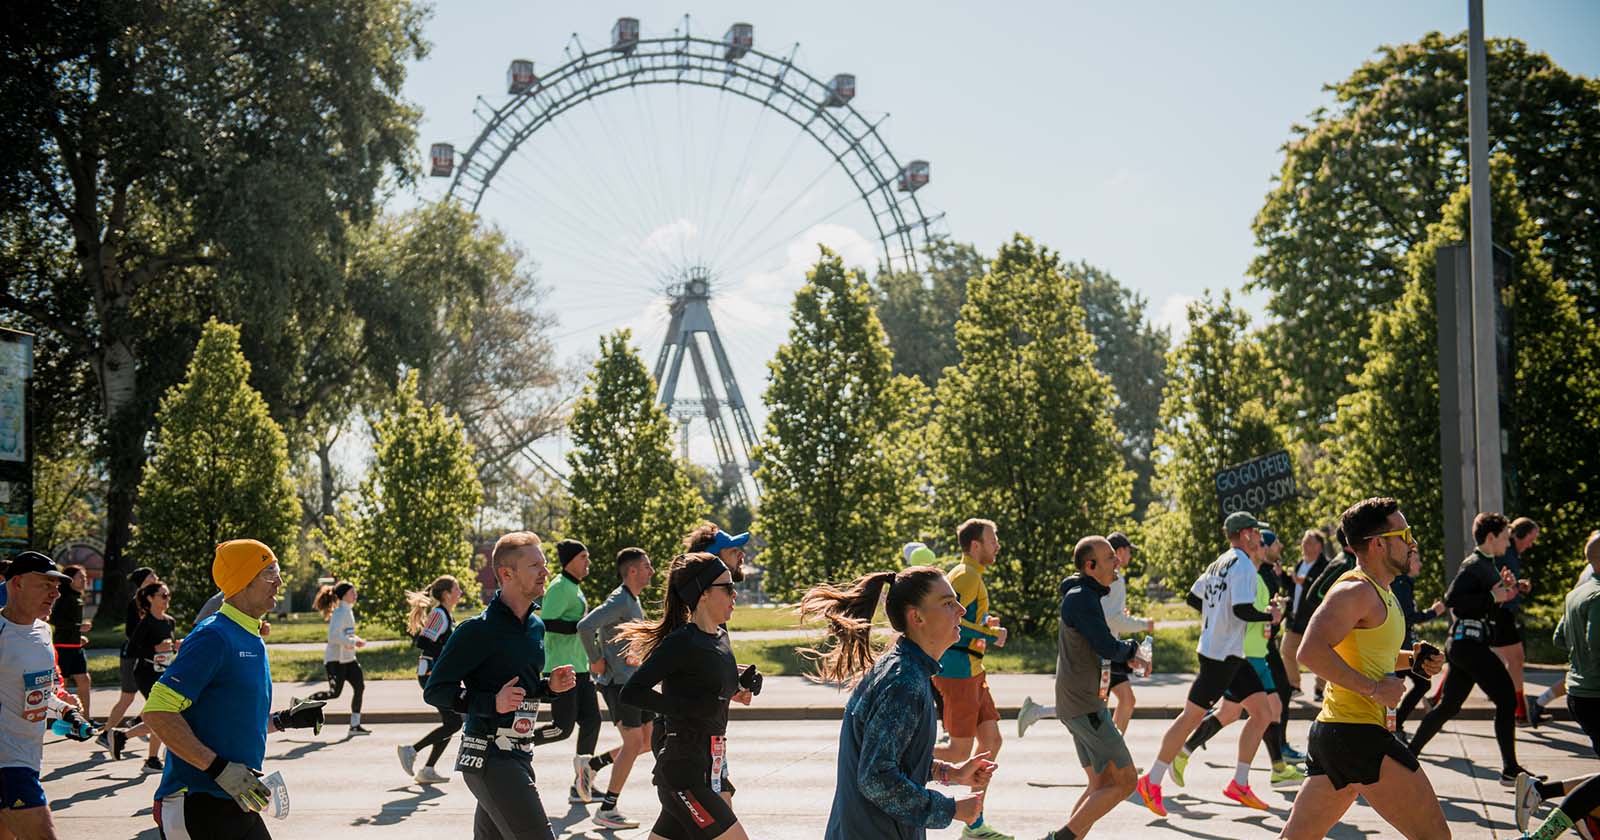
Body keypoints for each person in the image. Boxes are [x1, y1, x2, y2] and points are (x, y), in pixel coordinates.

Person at [1279, 497, 1448, 840]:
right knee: (1436, 838)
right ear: (1378, 544)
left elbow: (1373, 655)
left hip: (1339, 735)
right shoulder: (1354, 590)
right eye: (1406, 534)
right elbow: (1309, 651)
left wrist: (1414, 660)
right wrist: (1373, 689)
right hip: (1356, 734)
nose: (1412, 542)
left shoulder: (1383, 591)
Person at [142, 540, 327, 839]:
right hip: (198, 801)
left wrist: (285, 719)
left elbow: (230, 724)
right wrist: (219, 769)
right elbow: (157, 712)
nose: (279, 582)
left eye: (277, 572)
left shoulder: (251, 636)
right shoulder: (214, 636)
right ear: (243, 581)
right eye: (269, 573)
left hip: (236, 796)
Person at [801, 565, 992, 840]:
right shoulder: (904, 682)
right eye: (948, 604)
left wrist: (951, 773)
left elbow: (897, 759)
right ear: (917, 617)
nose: (961, 611)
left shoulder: (908, 670)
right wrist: (949, 809)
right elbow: (876, 777)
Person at [423, 532, 577, 840]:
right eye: (535, 565)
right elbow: (435, 690)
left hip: (520, 754)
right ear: (507, 574)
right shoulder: (476, 631)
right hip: (489, 758)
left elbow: (523, 689)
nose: (546, 573)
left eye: (544, 564)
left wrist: (549, 688)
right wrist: (490, 702)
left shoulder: (536, 626)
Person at [1138, 510, 1279, 817]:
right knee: (1190, 717)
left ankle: (1239, 783)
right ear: (1245, 535)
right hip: (1220, 656)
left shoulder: (1220, 561)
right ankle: (1152, 780)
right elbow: (1242, 610)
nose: (1259, 538)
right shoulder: (1242, 565)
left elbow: (1193, 597)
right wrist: (1270, 616)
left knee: (1263, 712)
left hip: (1230, 653)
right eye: (1256, 532)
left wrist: (1214, 618)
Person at [618, 553, 759, 840]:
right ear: (704, 593)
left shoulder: (719, 636)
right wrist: (683, 708)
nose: (735, 594)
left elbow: (707, 684)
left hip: (710, 766)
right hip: (683, 773)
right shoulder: (681, 641)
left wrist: (739, 684)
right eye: (727, 587)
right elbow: (632, 692)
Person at [1167, 528, 1305, 789]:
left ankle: (1184, 753)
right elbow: (1240, 611)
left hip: (1255, 652)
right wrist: (1268, 616)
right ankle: (1271, 771)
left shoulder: (1255, 576)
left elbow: (1249, 614)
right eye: (1264, 545)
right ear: (1254, 547)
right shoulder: (1246, 575)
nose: (1266, 550)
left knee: (1231, 713)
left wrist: (1273, 615)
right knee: (1267, 709)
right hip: (1247, 654)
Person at [1407, 512, 1539, 784]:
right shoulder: (1475, 563)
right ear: (1491, 537)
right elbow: (1453, 599)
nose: (1507, 541)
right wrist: (1493, 594)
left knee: (1448, 706)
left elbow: (1484, 602)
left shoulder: (1487, 565)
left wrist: (1505, 590)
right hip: (1467, 645)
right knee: (1505, 698)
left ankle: (1408, 755)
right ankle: (1510, 769)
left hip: (1467, 644)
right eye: (1504, 536)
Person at [1042, 536, 1153, 840]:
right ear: (1090, 566)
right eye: (1109, 558)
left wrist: (1126, 658)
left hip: (1079, 703)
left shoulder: (1084, 595)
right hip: (1085, 707)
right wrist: (1132, 651)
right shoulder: (1082, 599)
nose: (1117, 561)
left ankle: (1064, 837)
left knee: (1101, 785)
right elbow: (1105, 644)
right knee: (1127, 781)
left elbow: (1096, 649)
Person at [1016, 532, 1154, 738]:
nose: (1124, 559)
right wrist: (1142, 628)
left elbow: (1104, 616)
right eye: (1119, 554)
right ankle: (1113, 752)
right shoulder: (1111, 582)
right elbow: (1110, 620)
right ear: (1120, 551)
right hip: (1105, 652)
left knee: (1108, 703)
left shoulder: (1086, 587)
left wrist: (1126, 653)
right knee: (1098, 705)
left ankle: (1113, 751)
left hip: (1108, 651)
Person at [929, 518, 1011, 840]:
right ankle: (903, 756)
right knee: (959, 752)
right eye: (993, 540)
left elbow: (967, 618)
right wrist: (991, 632)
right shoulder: (964, 575)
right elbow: (948, 615)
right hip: (958, 672)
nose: (997, 545)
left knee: (991, 742)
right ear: (975, 546)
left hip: (974, 672)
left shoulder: (972, 576)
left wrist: (985, 624)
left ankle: (974, 825)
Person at [534, 539, 619, 807]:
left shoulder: (574, 588)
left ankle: (582, 782)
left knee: (592, 721)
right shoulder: (560, 586)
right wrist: (581, 626)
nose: (588, 562)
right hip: (560, 667)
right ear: (570, 560)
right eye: (584, 557)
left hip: (580, 668)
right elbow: (545, 623)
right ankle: (519, 740)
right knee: (562, 728)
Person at [577, 547, 657, 830]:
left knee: (648, 740)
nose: (652, 571)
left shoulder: (632, 601)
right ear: (632, 571)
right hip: (619, 684)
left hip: (634, 681)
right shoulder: (619, 600)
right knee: (634, 743)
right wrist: (595, 659)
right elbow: (585, 626)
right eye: (647, 566)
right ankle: (608, 808)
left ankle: (593, 765)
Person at [1, 552, 74, 840]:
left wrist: (64, 711)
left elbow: (38, 694)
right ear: (16, 583)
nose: (55, 593)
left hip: (29, 756)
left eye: (56, 586)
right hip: (9, 763)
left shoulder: (43, 631)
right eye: (45, 584)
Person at [1528, 530, 1600, 728]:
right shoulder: (1595, 590)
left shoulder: (1576, 590)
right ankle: (1539, 702)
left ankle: (1540, 702)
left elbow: (1559, 638)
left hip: (1579, 690)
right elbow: (1595, 642)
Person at [398, 575, 464, 785]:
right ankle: (411, 751)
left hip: (442, 675)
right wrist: (448, 653)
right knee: (453, 722)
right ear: (446, 594)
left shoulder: (447, 615)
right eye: (457, 588)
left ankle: (427, 769)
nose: (460, 592)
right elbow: (424, 641)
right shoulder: (439, 614)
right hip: (431, 676)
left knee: (452, 722)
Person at [98, 566, 159, 758]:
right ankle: (107, 734)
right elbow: (130, 632)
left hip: (150, 657)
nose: (156, 577)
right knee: (128, 697)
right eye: (152, 575)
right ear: (143, 580)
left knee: (152, 698)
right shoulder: (136, 603)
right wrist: (150, 644)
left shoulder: (153, 600)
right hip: (133, 656)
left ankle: (136, 723)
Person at [1390, 550, 1446, 738]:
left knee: (1414, 685)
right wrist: (1433, 612)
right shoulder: (1401, 584)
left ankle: (1394, 725)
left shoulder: (1403, 583)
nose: (1420, 564)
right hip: (1399, 648)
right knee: (1401, 688)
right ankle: (1392, 727)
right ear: (1406, 562)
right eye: (1417, 560)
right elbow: (1408, 617)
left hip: (1403, 645)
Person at [307, 581, 369, 736]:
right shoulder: (340, 612)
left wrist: (356, 639)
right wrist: (353, 642)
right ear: (343, 596)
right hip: (335, 660)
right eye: (352, 592)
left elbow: (346, 633)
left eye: (355, 592)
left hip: (349, 659)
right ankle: (303, 704)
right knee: (334, 693)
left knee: (359, 687)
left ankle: (355, 726)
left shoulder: (348, 610)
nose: (355, 595)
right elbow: (333, 636)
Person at [129, 581, 178, 773]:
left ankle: (126, 734)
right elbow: (132, 649)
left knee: (162, 712)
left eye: (168, 596)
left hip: (163, 671)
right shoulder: (146, 623)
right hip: (145, 673)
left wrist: (175, 646)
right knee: (162, 712)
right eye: (163, 596)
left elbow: (168, 647)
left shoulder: (169, 621)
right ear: (150, 598)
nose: (167, 600)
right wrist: (155, 649)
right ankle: (152, 758)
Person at [1498, 517, 1540, 722]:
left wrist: (1517, 585)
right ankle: (1519, 711)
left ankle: (1519, 711)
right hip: (1501, 612)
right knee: (1516, 659)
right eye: (1530, 539)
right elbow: (1498, 581)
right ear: (1518, 535)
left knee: (1468, 661)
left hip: (1503, 612)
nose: (1531, 545)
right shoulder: (1506, 551)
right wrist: (1514, 586)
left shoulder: (1512, 553)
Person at [1281, 530, 1328, 694]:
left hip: (1314, 620)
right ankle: (1294, 685)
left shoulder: (1325, 566)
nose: (1303, 545)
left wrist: (1306, 582)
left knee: (1319, 655)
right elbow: (1293, 588)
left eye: (1308, 542)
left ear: (1319, 547)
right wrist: (1282, 576)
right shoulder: (1301, 563)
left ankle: (1321, 688)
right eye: (1303, 541)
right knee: (1287, 651)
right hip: (1296, 618)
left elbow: (1321, 590)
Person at [47, 565, 93, 721]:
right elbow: (56, 620)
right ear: (70, 579)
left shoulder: (77, 596)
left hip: (76, 647)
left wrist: (78, 636)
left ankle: (85, 718)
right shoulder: (63, 597)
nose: (84, 580)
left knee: (85, 681)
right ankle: (63, 718)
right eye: (81, 577)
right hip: (63, 647)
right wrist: (79, 628)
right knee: (62, 685)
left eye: (85, 577)